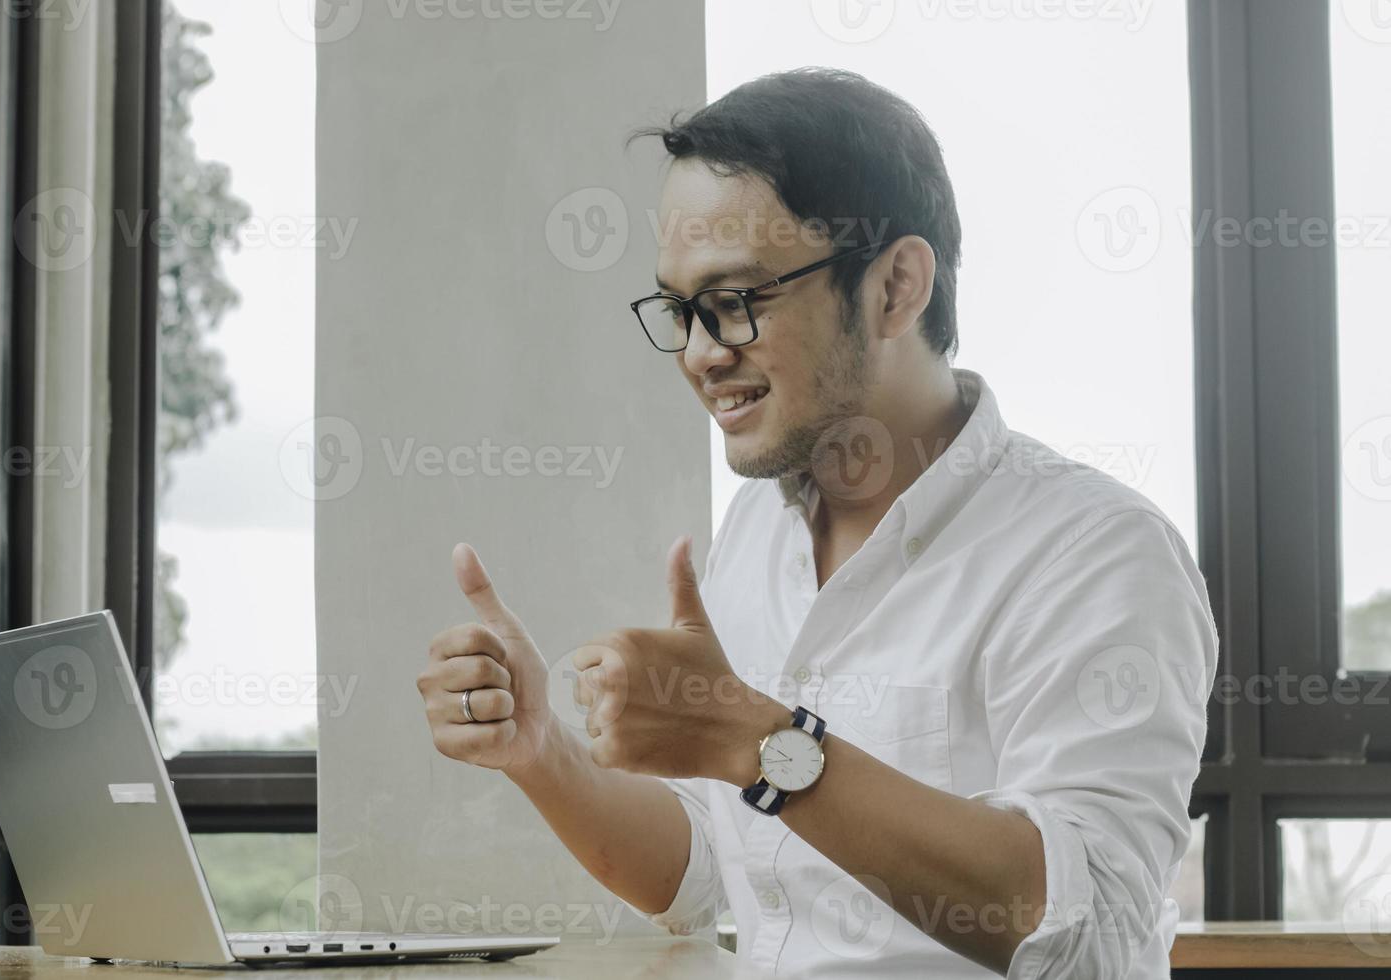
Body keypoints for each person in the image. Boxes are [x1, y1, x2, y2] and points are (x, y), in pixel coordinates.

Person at [417, 67, 1216, 978]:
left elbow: (1094, 938)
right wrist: (541, 751)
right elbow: (707, 869)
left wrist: (758, 744)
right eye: (679, 310)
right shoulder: (757, 532)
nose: (701, 355)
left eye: (737, 301)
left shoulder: (1095, 554)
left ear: (895, 286)